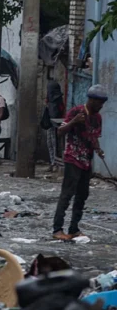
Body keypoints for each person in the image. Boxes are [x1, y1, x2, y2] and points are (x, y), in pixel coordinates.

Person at [52, 84, 107, 241]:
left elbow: (94, 136)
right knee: (67, 193)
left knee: (82, 195)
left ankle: (74, 228)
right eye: (99, 103)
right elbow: (60, 132)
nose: (101, 106)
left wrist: (98, 149)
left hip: (86, 160)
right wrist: (74, 122)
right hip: (73, 158)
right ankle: (57, 229)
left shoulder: (97, 118)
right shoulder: (76, 112)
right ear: (91, 100)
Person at [46, 80, 65, 172]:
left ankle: (55, 163)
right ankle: (52, 162)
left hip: (56, 124)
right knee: (49, 143)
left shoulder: (58, 100)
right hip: (50, 124)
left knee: (55, 144)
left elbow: (58, 112)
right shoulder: (50, 100)